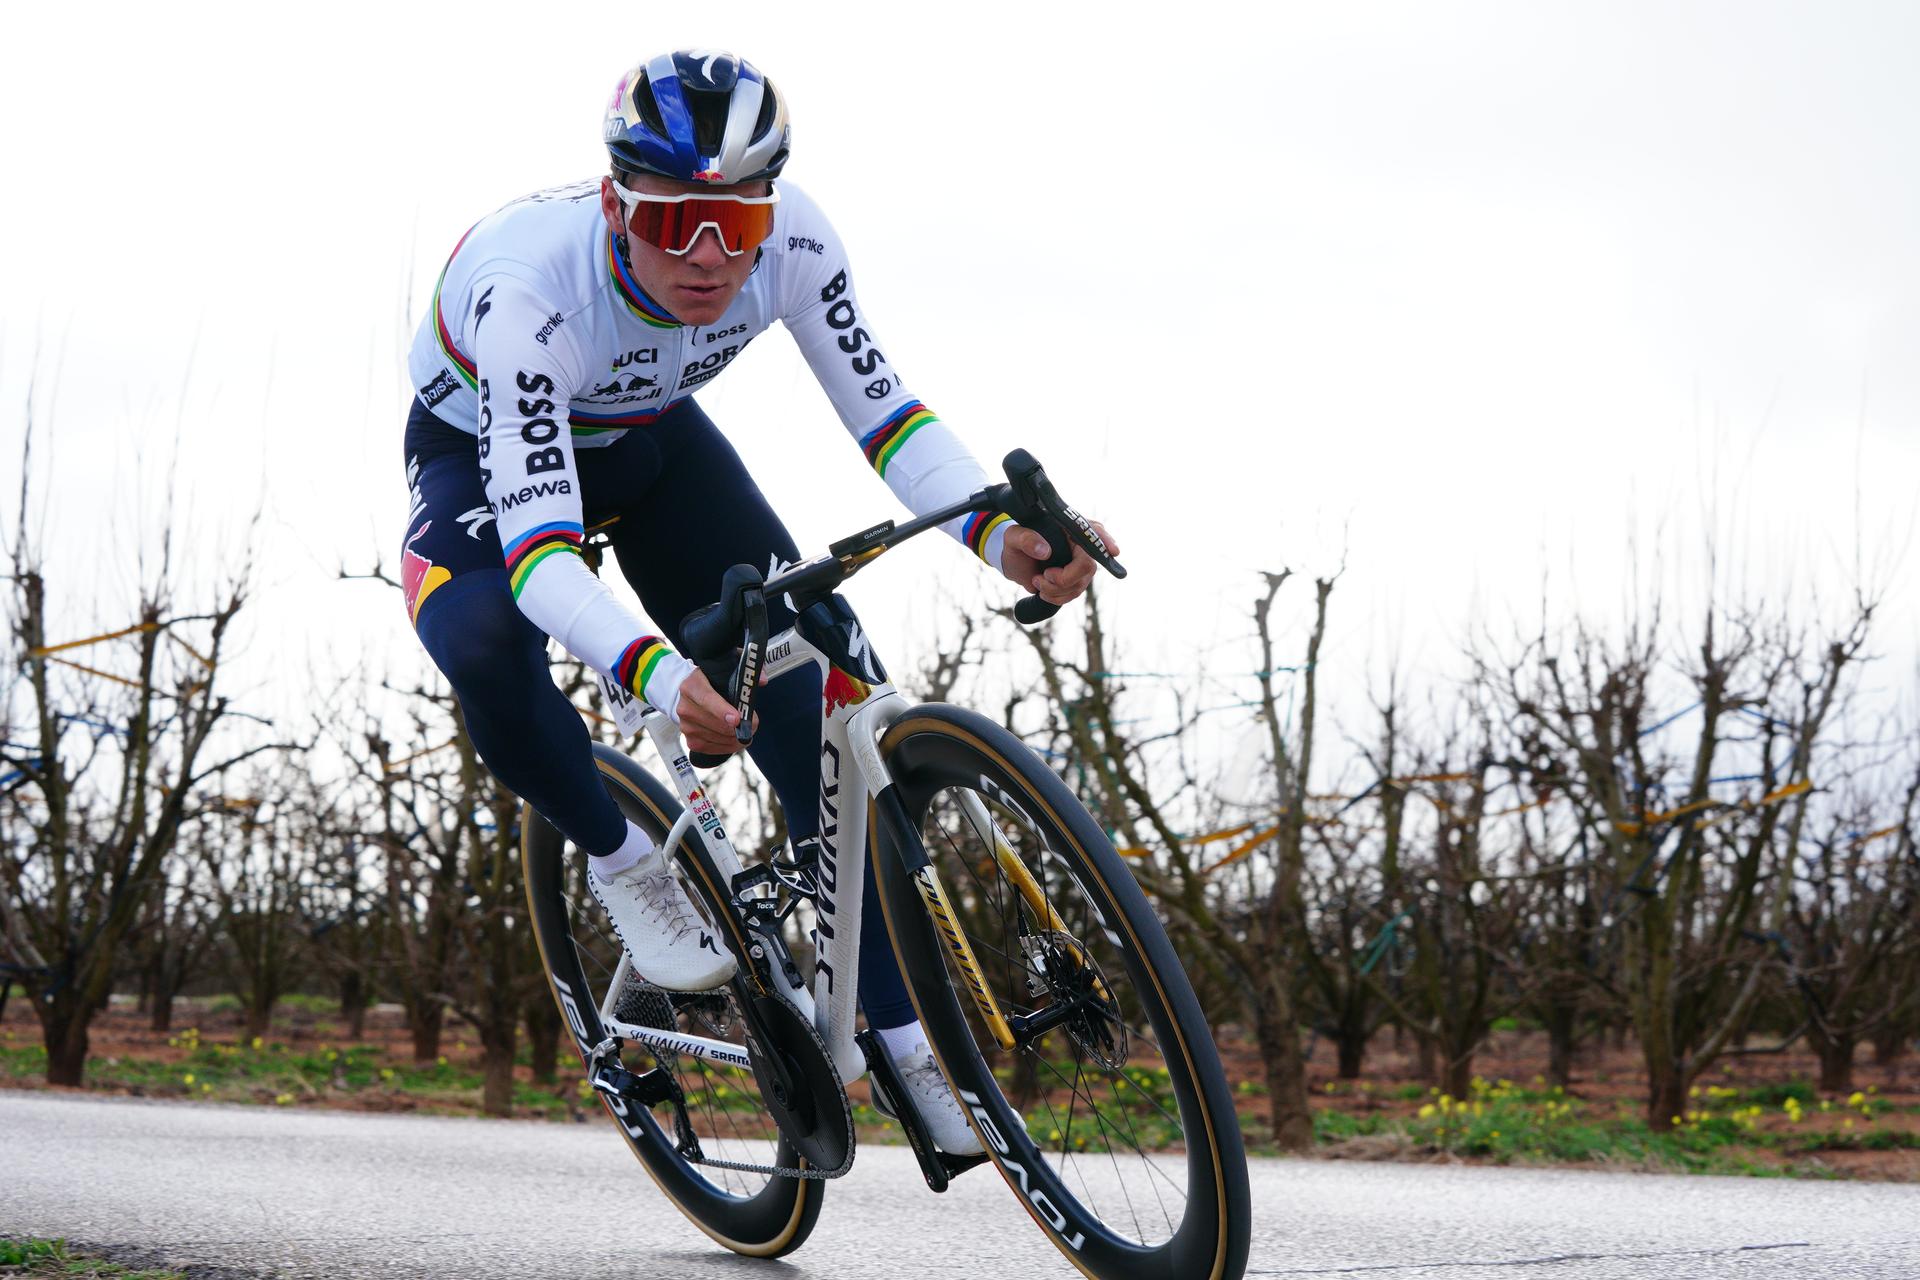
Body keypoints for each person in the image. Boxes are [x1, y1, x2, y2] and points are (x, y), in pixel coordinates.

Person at [399, 49, 1112, 1154]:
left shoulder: (800, 240)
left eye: (734, 226)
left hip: (655, 451)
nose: (704, 255)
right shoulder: (530, 293)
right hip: (484, 460)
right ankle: (622, 856)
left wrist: (996, 530)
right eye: (672, 219)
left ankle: (904, 1048)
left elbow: (885, 413)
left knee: (823, 709)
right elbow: (540, 555)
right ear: (612, 203)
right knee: (486, 637)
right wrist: (651, 670)